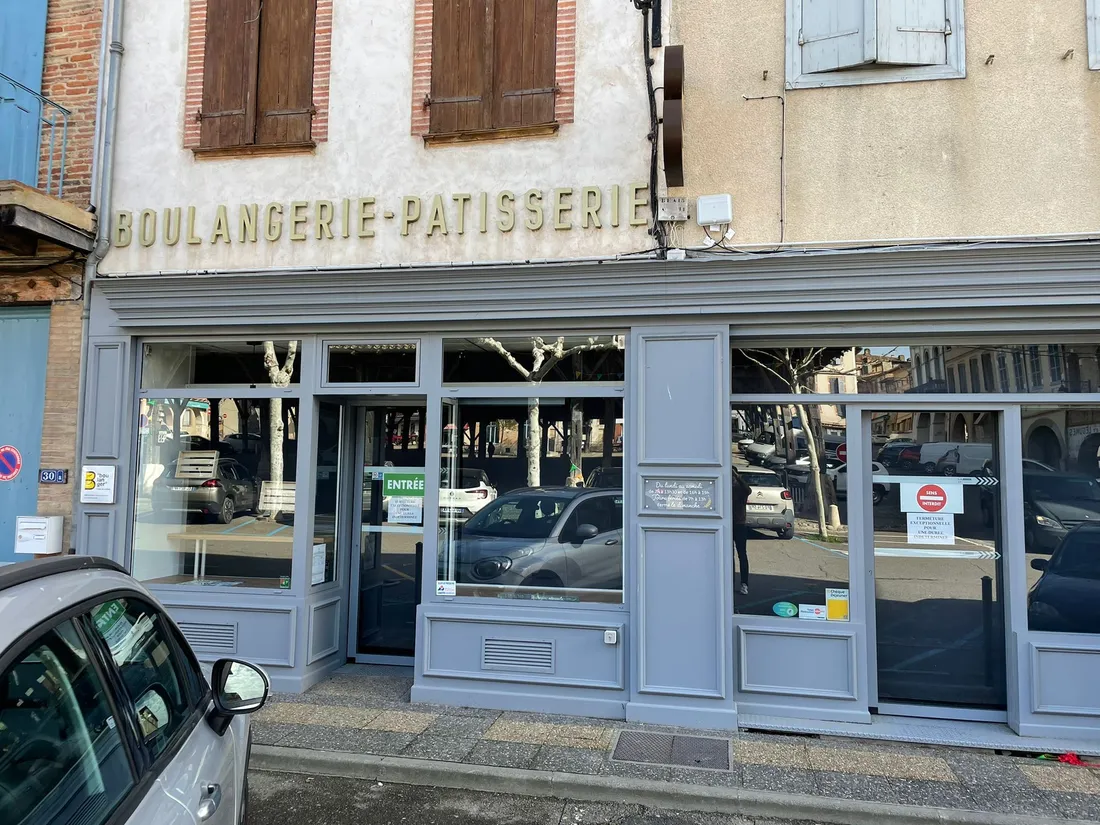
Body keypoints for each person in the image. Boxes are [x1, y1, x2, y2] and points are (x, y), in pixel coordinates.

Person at [732, 466, 751, 595]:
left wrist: (737, 476)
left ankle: (744, 583)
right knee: (728, 556)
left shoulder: (741, 490)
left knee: (742, 555)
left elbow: (748, 490)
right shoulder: (726, 489)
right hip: (728, 525)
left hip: (739, 524)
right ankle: (730, 582)